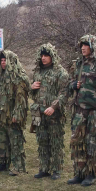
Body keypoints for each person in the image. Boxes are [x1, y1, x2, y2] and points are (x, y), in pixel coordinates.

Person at [67, 34, 96, 186]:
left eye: (86, 45)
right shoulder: (78, 64)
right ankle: (79, 172)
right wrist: (73, 85)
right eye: (81, 45)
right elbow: (70, 83)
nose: (83, 48)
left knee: (93, 142)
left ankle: (91, 173)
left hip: (94, 111)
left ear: (93, 46)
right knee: (77, 141)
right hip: (80, 110)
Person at [29, 43, 69, 180]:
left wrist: (53, 107)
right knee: (42, 141)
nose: (43, 58)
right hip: (38, 113)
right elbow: (32, 94)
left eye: (46, 55)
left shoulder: (60, 72)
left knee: (56, 141)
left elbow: (64, 93)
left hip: (54, 114)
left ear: (52, 56)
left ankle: (56, 169)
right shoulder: (37, 72)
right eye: (42, 55)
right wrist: (32, 88)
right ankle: (44, 168)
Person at [0, 50, 30, 176]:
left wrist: (17, 114)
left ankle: (18, 166)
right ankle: (2, 162)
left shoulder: (18, 78)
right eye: (1, 60)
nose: (3, 62)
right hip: (0, 114)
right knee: (1, 140)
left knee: (15, 140)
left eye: (5, 60)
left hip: (12, 115)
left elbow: (21, 99)